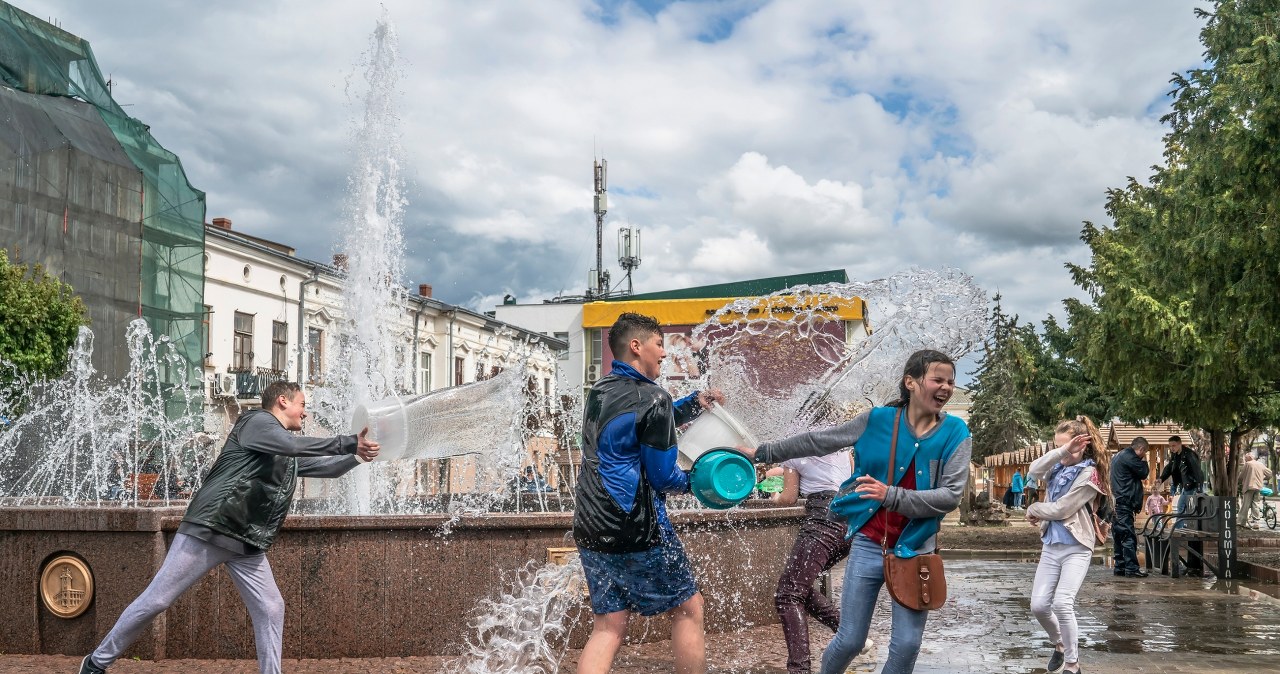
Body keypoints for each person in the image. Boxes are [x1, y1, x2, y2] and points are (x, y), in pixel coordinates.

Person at [77, 381, 380, 674]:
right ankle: (96, 662)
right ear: (282, 401)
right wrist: (348, 441)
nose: (305, 413)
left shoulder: (284, 452)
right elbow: (290, 445)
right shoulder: (256, 422)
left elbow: (327, 468)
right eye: (302, 405)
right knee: (158, 599)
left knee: (271, 607)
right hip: (212, 527)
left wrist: (356, 456)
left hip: (245, 541)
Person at [741, 349, 971, 674]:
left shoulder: (956, 432)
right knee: (849, 639)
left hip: (916, 550)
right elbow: (818, 441)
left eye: (951, 381)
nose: (946, 387)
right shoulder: (876, 420)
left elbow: (949, 497)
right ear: (911, 382)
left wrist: (888, 495)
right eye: (938, 379)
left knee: (906, 646)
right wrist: (762, 452)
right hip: (868, 545)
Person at [572, 312, 724, 674]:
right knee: (689, 609)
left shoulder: (599, 391)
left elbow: (635, 424)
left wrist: (691, 404)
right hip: (636, 528)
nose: (664, 353)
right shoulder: (653, 397)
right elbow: (664, 477)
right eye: (659, 344)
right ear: (637, 347)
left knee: (609, 625)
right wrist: (702, 481)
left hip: (591, 526)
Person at [1025, 416, 1113, 674]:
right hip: (1051, 545)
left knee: (1063, 603)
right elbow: (1033, 471)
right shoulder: (1057, 466)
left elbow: (1064, 509)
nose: (1062, 453)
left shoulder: (1090, 473)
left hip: (1077, 546)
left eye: (1069, 447)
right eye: (1058, 446)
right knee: (1039, 606)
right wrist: (1061, 451)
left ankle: (1073, 664)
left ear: (1082, 446)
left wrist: (1034, 508)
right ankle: (1059, 644)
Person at [768, 450, 856, 674]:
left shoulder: (795, 451)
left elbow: (788, 497)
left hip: (822, 521)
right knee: (798, 587)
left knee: (788, 595)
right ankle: (851, 633)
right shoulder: (845, 452)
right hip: (850, 524)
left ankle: (799, 670)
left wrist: (775, 497)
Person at [1109, 437, 1150, 578]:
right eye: (1144, 453)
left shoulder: (1119, 456)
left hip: (1117, 501)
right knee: (1128, 536)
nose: (1143, 457)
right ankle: (1131, 568)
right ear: (1141, 449)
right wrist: (1144, 462)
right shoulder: (1131, 458)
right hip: (1124, 502)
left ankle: (1120, 566)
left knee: (1119, 535)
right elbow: (1144, 473)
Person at [1158, 435, 1203, 528]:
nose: (1171, 448)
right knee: (1184, 507)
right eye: (1170, 446)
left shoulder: (1189, 454)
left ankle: (1179, 528)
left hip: (1192, 485)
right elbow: (1170, 467)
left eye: (1173, 445)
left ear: (1180, 444)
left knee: (1181, 506)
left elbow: (1197, 471)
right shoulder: (1175, 455)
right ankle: (1182, 527)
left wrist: (1199, 488)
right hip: (1185, 485)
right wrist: (1161, 478)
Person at [1239, 453, 1273, 529]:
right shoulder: (1260, 464)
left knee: (1246, 504)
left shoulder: (1247, 464)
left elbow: (1241, 476)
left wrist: (1238, 481)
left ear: (1249, 458)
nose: (1245, 459)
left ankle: (1241, 522)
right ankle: (1256, 522)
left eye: (1246, 458)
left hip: (1249, 487)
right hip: (1258, 487)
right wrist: (1263, 478)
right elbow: (1269, 474)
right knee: (1255, 504)